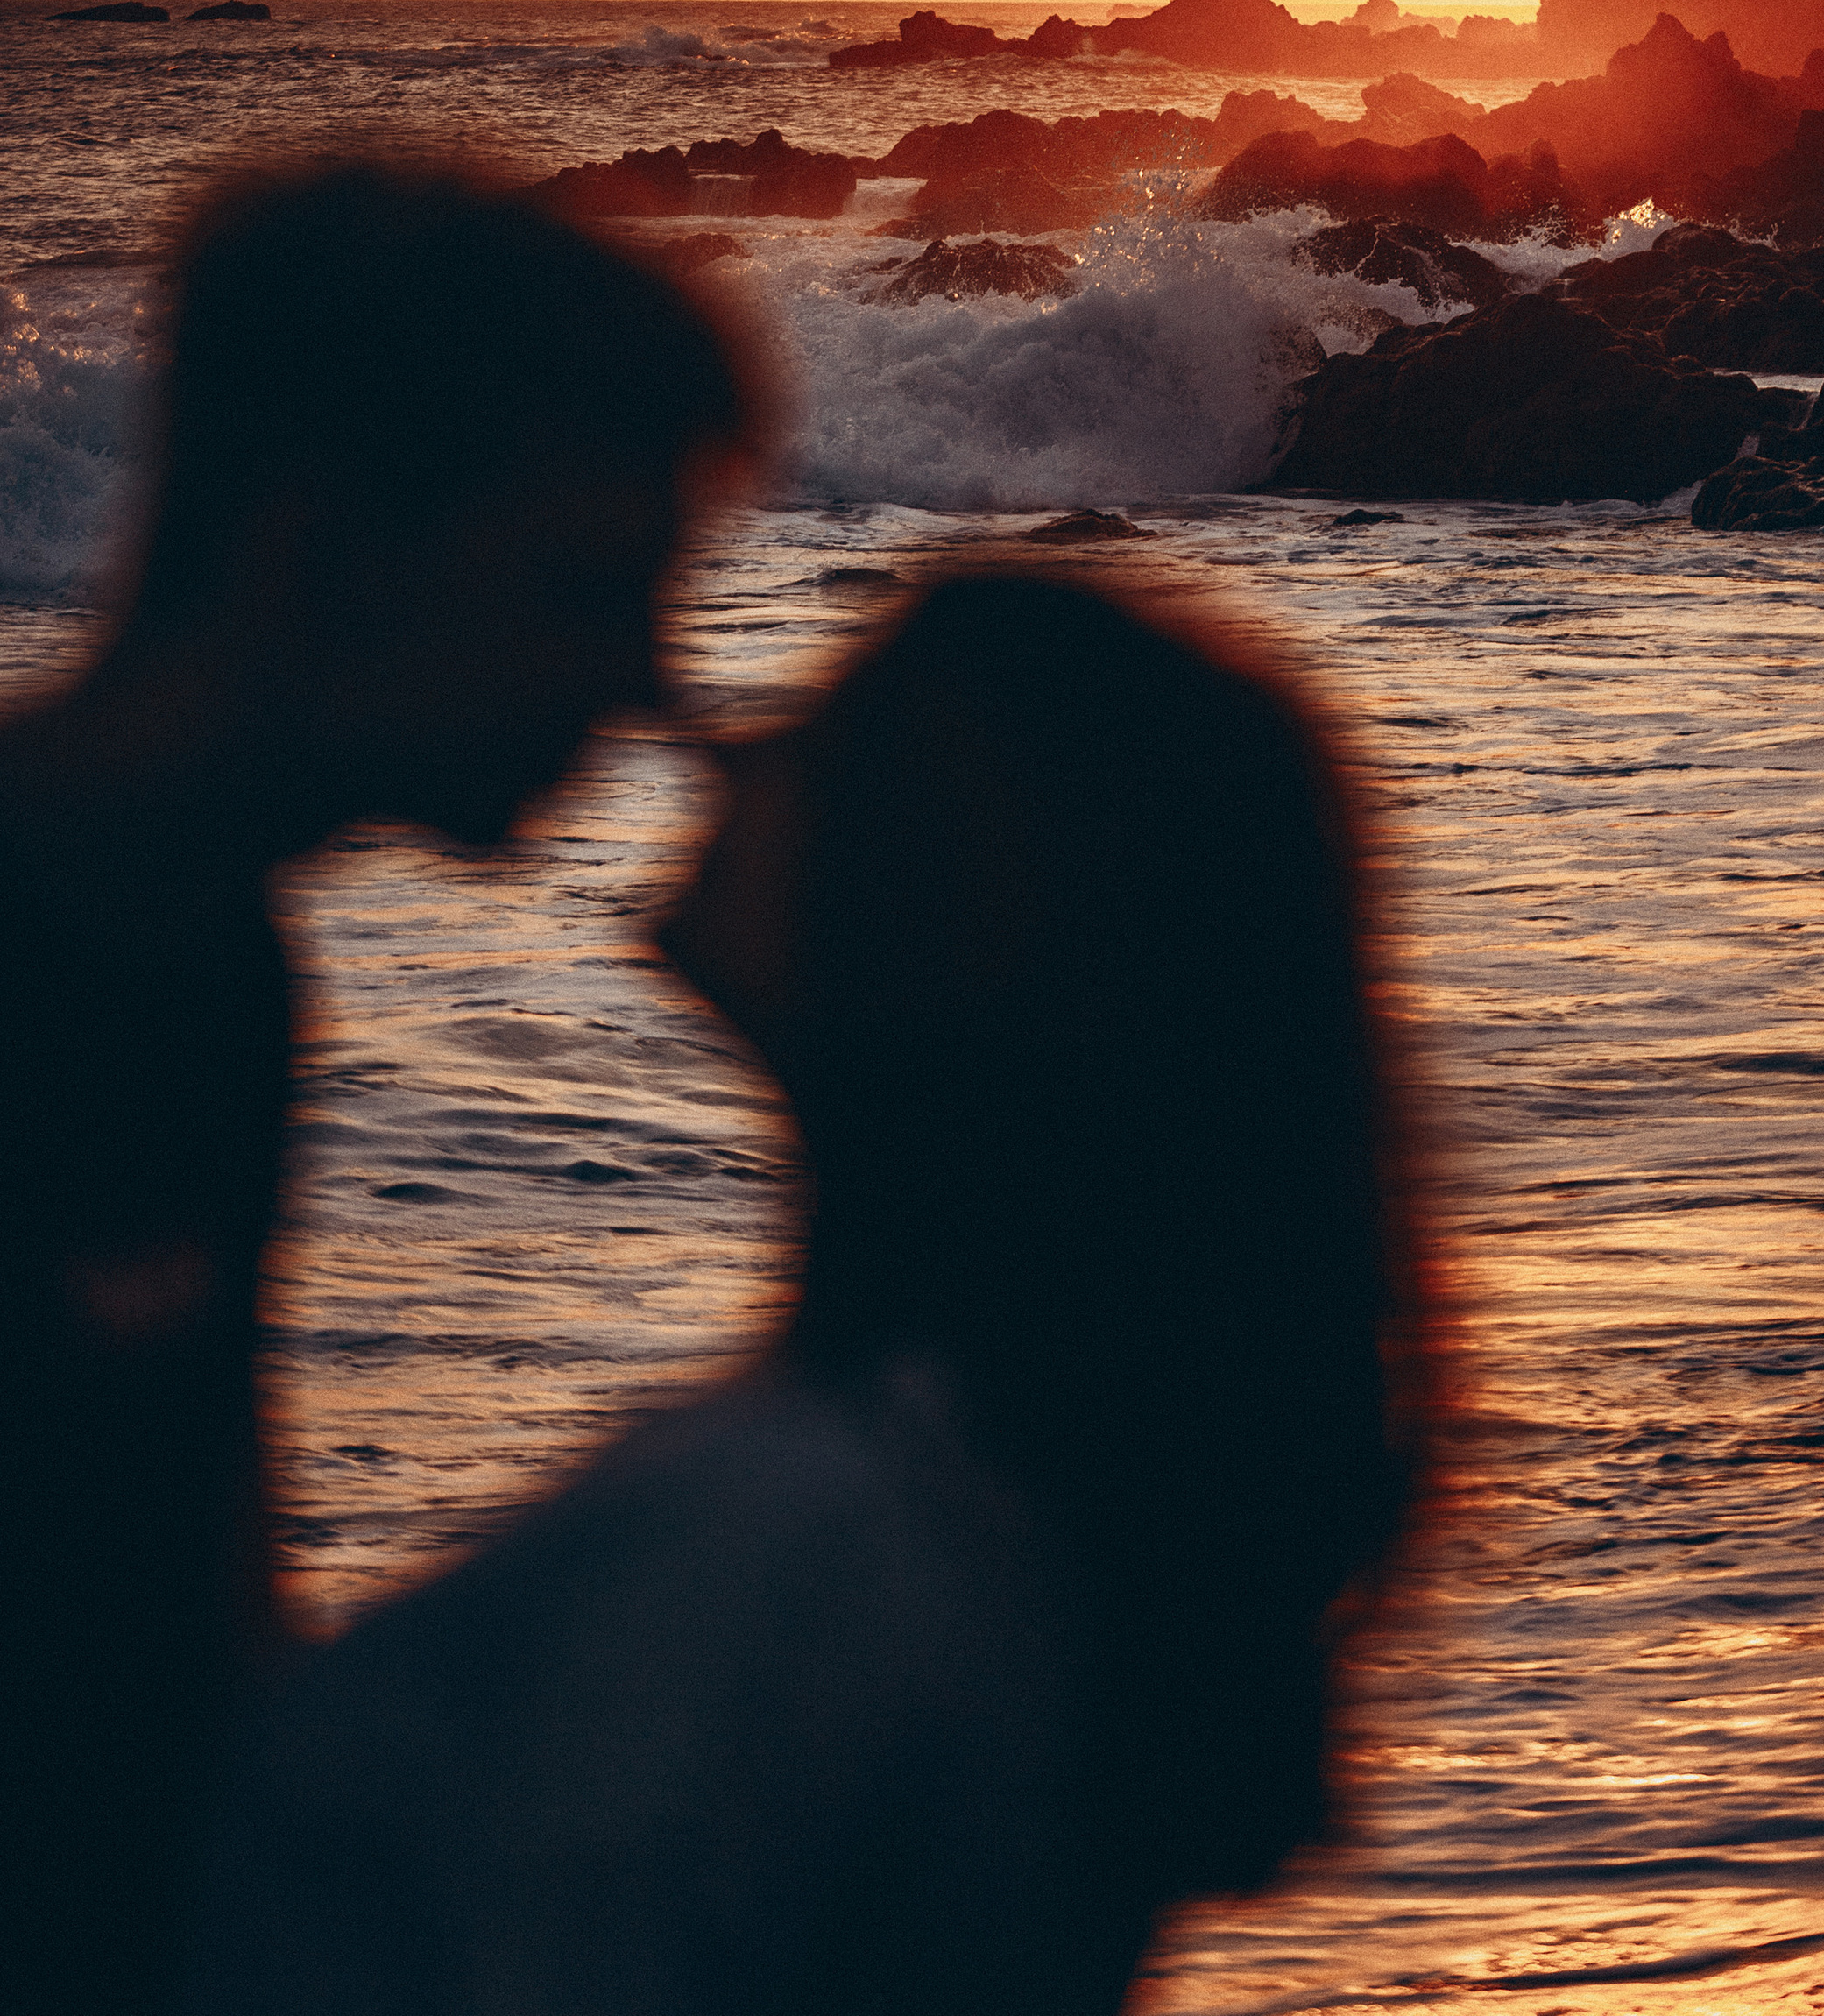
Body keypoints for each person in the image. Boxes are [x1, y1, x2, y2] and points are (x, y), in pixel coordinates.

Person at [181, 569, 1434, 2016]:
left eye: (816, 728)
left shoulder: (810, 1541)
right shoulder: (968, 1507)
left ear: (934, 879)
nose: (715, 743)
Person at [0, 160, 760, 2016]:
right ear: (319, 550)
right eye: (585, 587)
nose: (649, 695)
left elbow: (200, 1620)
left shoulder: (216, 968)